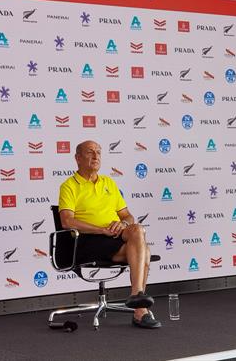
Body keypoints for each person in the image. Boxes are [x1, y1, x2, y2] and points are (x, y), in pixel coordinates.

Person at [58, 140, 161, 329]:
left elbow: (128, 215)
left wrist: (122, 223)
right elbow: (67, 221)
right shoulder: (69, 186)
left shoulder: (109, 182)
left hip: (113, 237)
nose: (96, 156)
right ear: (77, 158)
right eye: (90, 152)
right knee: (144, 251)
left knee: (137, 229)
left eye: (98, 152)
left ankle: (137, 296)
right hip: (88, 241)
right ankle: (140, 310)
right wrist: (101, 229)